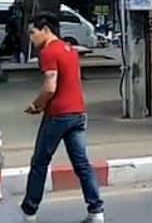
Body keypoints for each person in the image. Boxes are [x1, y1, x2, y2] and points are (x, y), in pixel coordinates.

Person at [19, 12, 104, 222]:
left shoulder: (48, 52)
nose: (31, 38)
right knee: (82, 164)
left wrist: (36, 105)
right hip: (78, 113)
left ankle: (29, 211)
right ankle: (96, 211)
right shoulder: (69, 49)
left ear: (46, 30)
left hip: (58, 115)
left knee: (39, 162)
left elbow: (50, 87)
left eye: (33, 33)